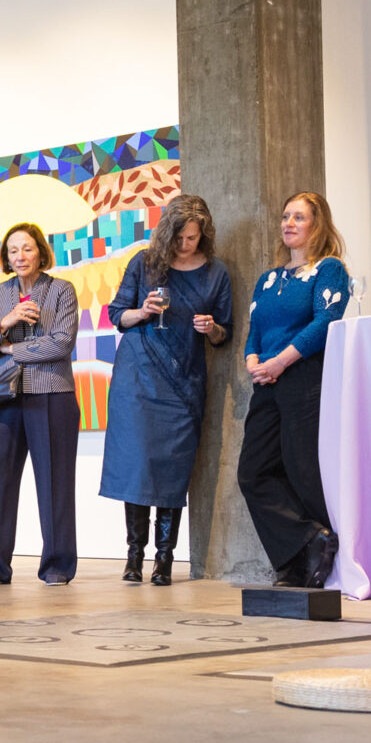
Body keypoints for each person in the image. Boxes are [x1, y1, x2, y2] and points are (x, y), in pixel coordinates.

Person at [100, 193, 233, 587]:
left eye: (191, 238)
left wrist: (212, 329)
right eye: (178, 237)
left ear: (203, 235)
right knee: (138, 464)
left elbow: (225, 332)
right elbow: (115, 315)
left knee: (173, 469)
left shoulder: (216, 273)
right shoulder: (145, 263)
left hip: (183, 383)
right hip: (138, 379)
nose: (184, 245)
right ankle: (133, 556)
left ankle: (164, 561)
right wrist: (142, 312)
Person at [237, 192, 351, 588]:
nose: (288, 223)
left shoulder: (329, 270)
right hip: (266, 382)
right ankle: (308, 541)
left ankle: (306, 564)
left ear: (318, 225)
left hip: (304, 378)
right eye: (286, 216)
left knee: (302, 470)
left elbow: (325, 322)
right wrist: (253, 361)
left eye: (299, 218)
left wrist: (281, 361)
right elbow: (255, 332)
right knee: (253, 473)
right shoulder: (270, 279)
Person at [0, 221, 84, 586]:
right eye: (13, 250)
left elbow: (60, 344)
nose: (20, 256)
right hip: (3, 396)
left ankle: (58, 566)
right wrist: (5, 322)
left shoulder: (62, 291)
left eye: (27, 248)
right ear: (6, 256)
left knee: (55, 484)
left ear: (41, 252)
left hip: (51, 394)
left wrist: (10, 349)